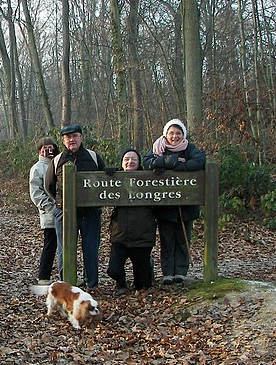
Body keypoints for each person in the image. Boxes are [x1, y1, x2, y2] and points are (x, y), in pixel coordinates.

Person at [142, 119, 206, 284]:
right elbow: (147, 162)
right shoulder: (158, 148)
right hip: (164, 206)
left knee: (183, 240)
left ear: (183, 135)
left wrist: (180, 166)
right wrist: (164, 161)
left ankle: (181, 272)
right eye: (171, 133)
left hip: (186, 204)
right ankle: (168, 273)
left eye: (178, 133)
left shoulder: (189, 148)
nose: (175, 136)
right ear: (166, 134)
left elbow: (200, 160)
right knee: (167, 240)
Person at [45, 125, 106, 289]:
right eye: (68, 137)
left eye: (75, 136)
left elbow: (104, 180)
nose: (72, 140)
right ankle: (66, 283)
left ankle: (91, 283)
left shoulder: (93, 157)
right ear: (63, 140)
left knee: (91, 249)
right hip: (64, 213)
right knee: (65, 250)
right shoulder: (57, 160)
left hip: (90, 212)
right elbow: (49, 185)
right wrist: (61, 203)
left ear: (81, 138)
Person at [106, 149, 156, 294]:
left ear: (139, 162)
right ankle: (121, 284)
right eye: (126, 159)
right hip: (120, 234)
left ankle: (147, 268)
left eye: (134, 159)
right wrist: (108, 173)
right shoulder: (115, 178)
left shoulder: (149, 179)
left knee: (142, 284)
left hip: (142, 235)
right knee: (114, 270)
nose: (130, 162)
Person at [29, 137, 59, 285]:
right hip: (49, 214)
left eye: (51, 147)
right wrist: (50, 208)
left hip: (65, 212)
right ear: (40, 150)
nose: (48, 150)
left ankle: (66, 275)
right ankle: (43, 276)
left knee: (65, 245)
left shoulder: (60, 162)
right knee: (50, 244)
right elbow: (36, 193)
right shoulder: (37, 168)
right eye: (45, 147)